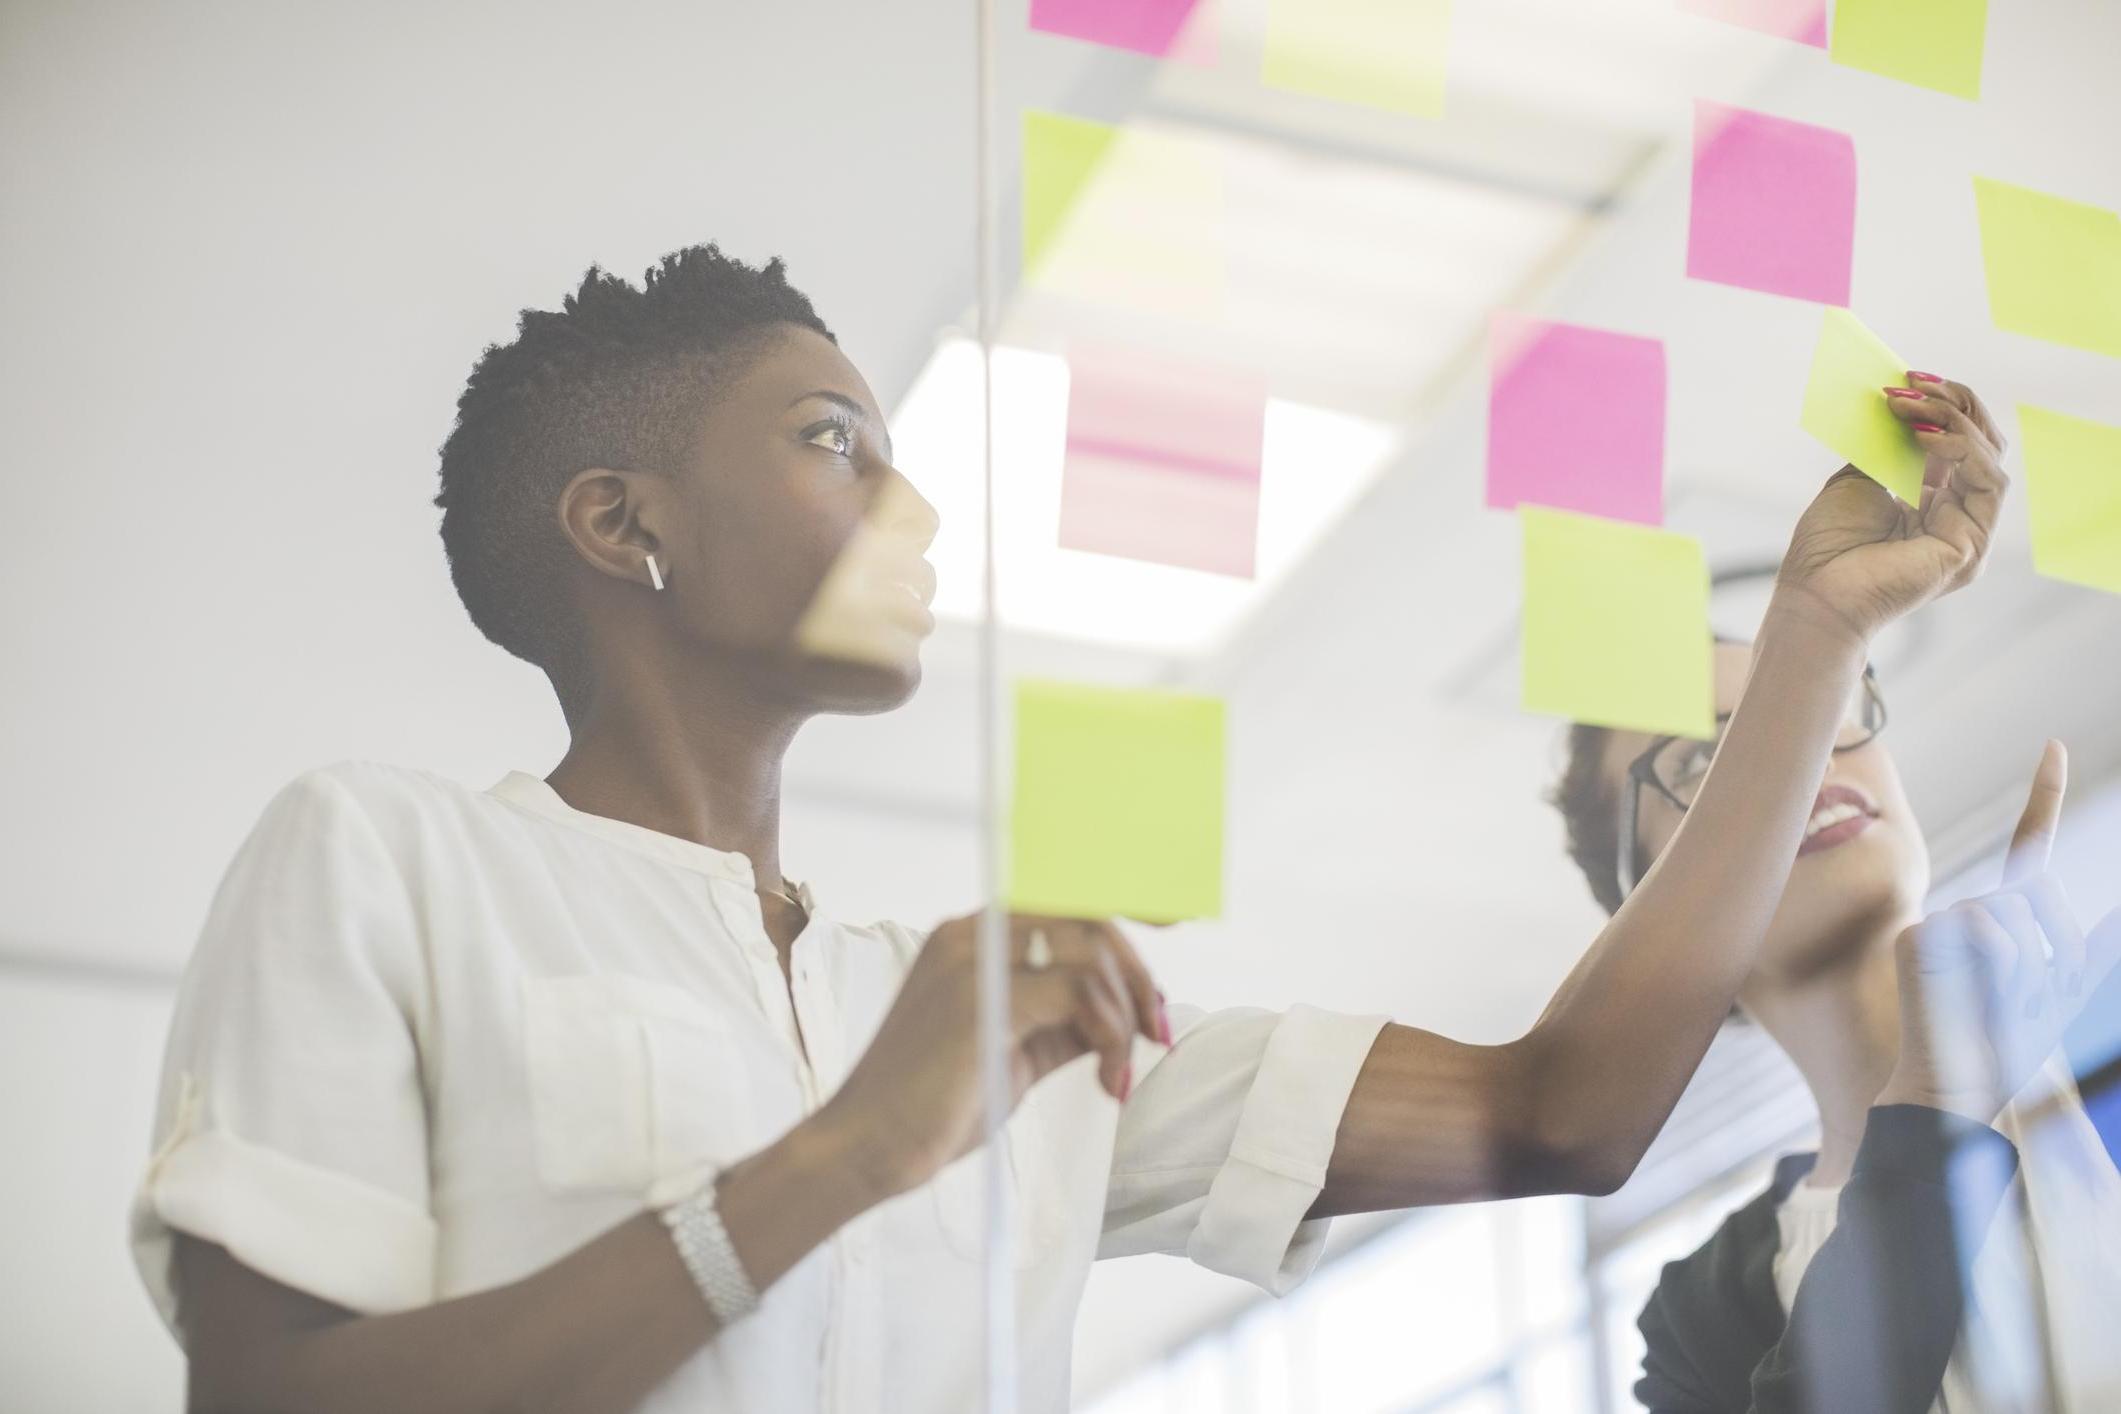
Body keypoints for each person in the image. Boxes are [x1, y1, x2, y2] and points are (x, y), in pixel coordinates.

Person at [133, 245, 2018, 1414]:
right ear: (628, 522)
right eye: (832, 440)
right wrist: (851, 1152)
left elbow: (1564, 1110)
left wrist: (1813, 636)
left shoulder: (998, 1023)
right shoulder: (386, 860)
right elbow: (275, 1393)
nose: (916, 505)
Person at [1551, 627, 2121, 1409]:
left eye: (1815, 707)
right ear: (1646, 915)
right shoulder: (1700, 1315)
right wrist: (1931, 1118)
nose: (1798, 756)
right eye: (1698, 759)